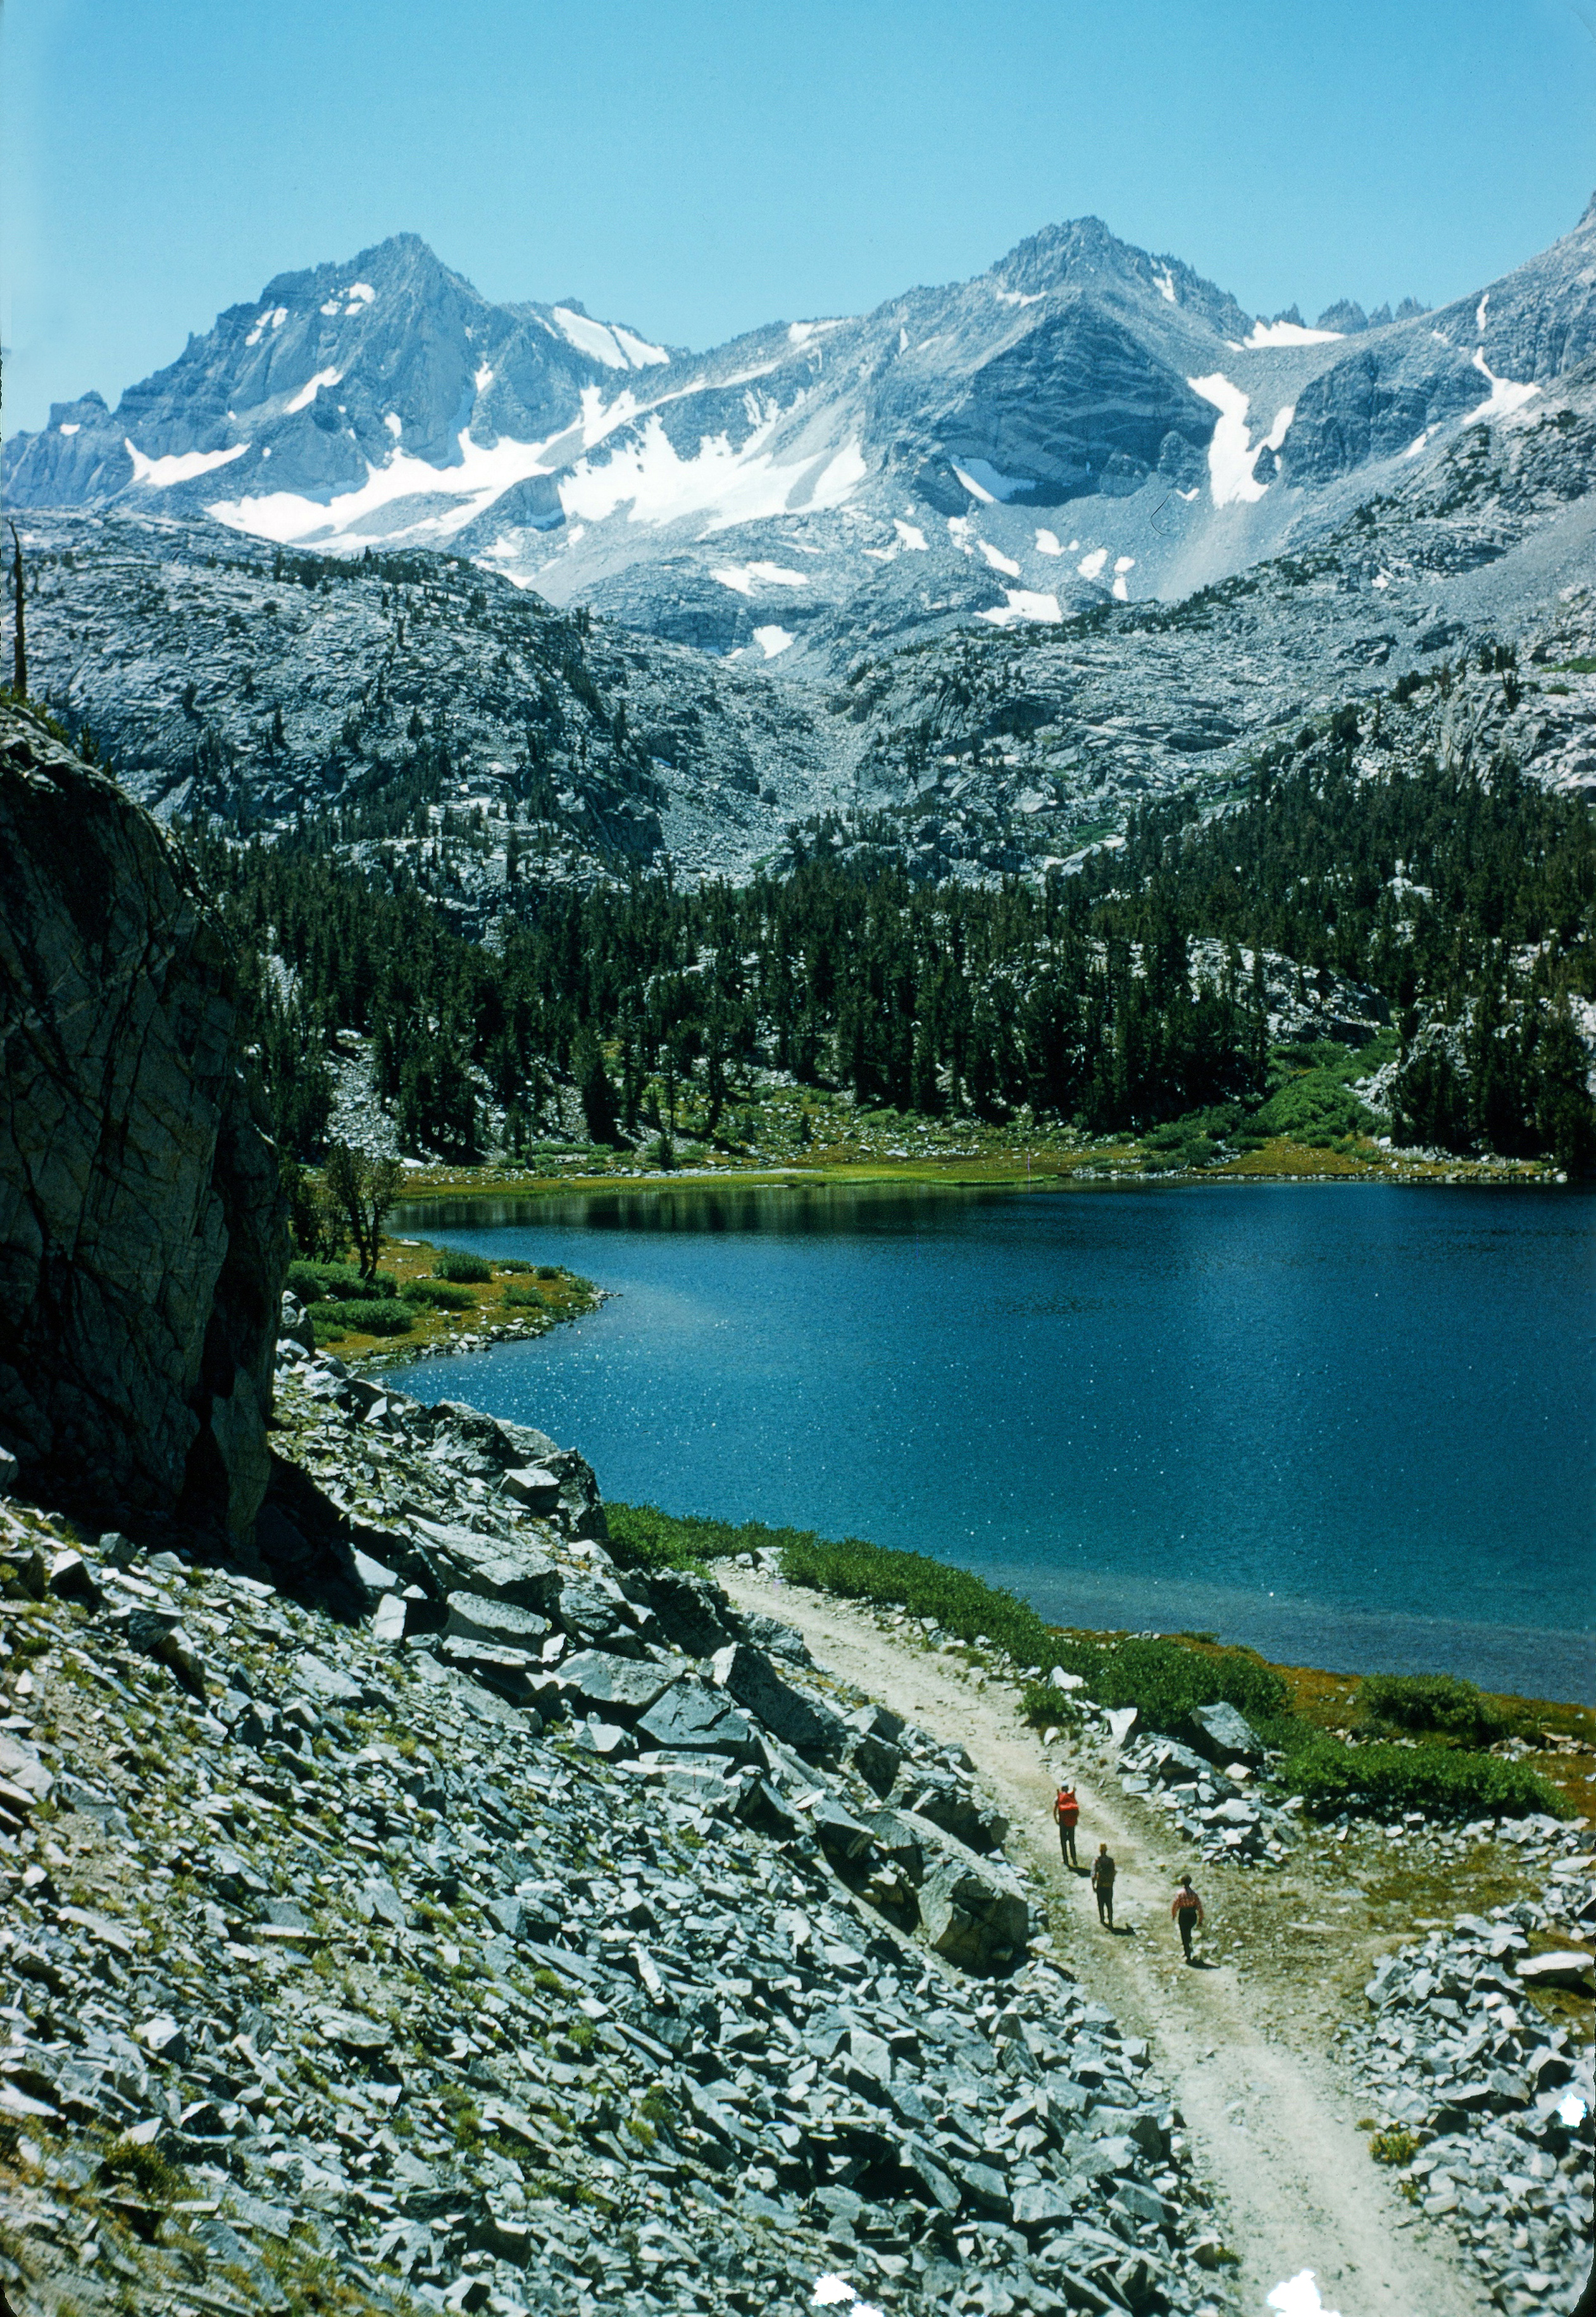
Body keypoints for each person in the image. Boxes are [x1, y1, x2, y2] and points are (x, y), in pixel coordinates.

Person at [1171, 1877, 1204, 1963]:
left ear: (1182, 1882)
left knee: (1184, 1933)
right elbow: (1200, 1907)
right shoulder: (1194, 1894)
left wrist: (1174, 1915)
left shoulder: (1180, 1894)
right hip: (1192, 1916)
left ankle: (1187, 1954)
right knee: (1188, 1931)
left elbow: (1175, 1905)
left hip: (1184, 1915)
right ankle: (1190, 1948)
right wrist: (1200, 1919)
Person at [1052, 1783, 1080, 1868]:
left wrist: (1056, 1820)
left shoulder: (1059, 1797)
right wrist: (1075, 1820)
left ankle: (1066, 1861)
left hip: (1063, 1823)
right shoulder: (1071, 1797)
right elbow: (1077, 1810)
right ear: (1068, 1789)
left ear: (1061, 1789)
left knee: (1063, 1842)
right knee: (1072, 1842)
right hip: (1072, 1823)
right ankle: (1074, 1860)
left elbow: (1055, 1810)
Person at [1090, 1842, 1116, 1928]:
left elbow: (1093, 1874)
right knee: (1109, 1904)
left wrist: (1093, 1885)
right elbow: (1113, 1873)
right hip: (1109, 1886)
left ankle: (1102, 1919)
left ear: (1100, 1851)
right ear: (1106, 1850)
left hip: (1100, 1886)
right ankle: (1110, 1920)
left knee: (1101, 1903)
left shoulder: (1097, 1860)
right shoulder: (1111, 1861)